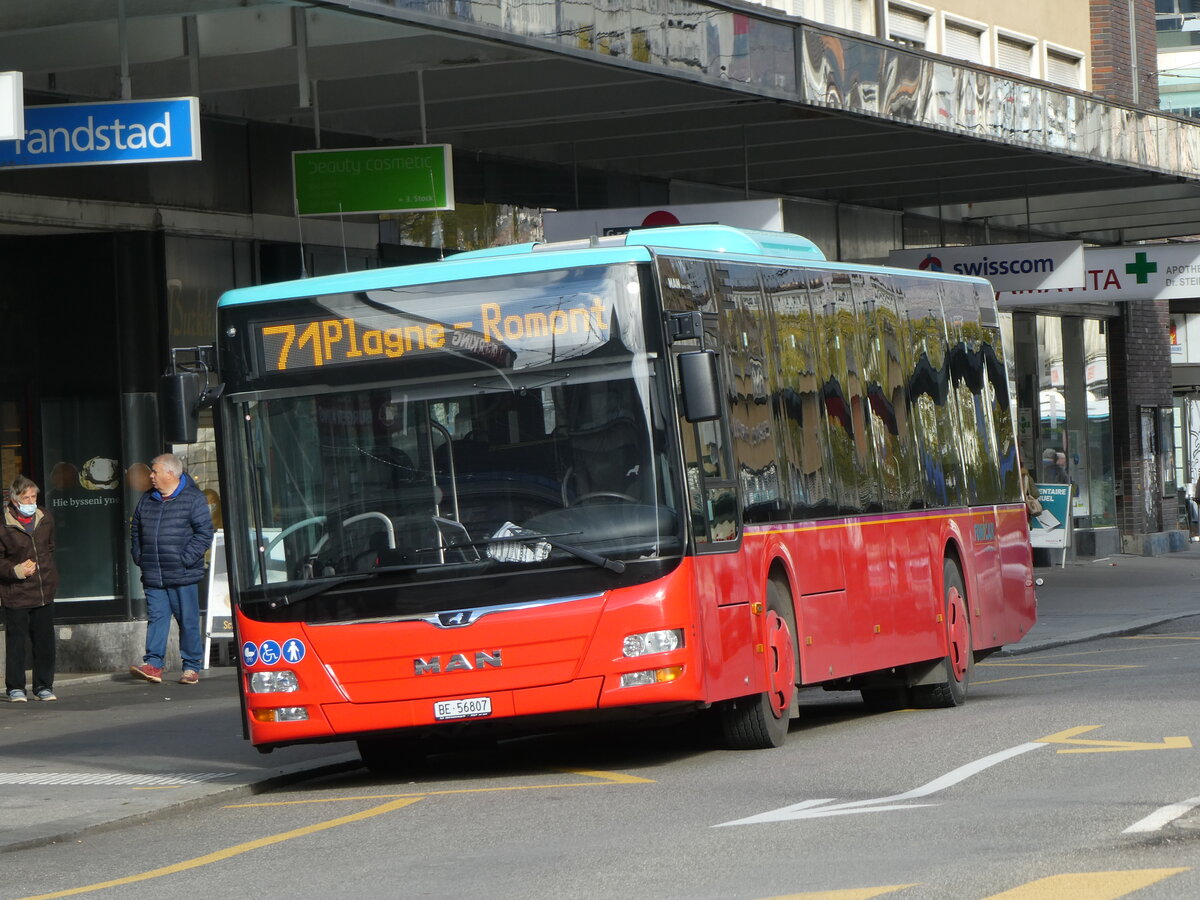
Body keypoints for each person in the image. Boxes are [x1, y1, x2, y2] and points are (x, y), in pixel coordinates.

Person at [128, 453, 213, 685]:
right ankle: (153, 664)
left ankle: (191, 666)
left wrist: (185, 559)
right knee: (157, 618)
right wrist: (139, 555)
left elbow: (204, 533)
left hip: (182, 573)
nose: (151, 476)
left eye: (155, 471)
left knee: (187, 620)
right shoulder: (147, 499)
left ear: (170, 473)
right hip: (154, 573)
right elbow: (136, 529)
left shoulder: (193, 499)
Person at [0, 476, 60, 702]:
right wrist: (15, 570)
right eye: (26, 498)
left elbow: (49, 548)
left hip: (44, 589)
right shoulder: (4, 524)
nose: (31, 501)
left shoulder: (45, 517)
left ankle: (44, 685)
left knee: (45, 642)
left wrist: (49, 573)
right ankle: (15, 688)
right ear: (15, 500)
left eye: (34, 496)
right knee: (17, 643)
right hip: (16, 593)